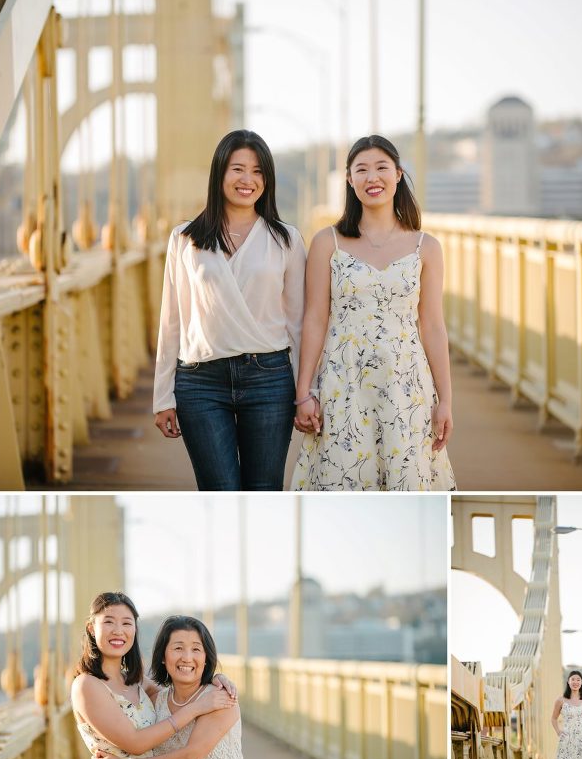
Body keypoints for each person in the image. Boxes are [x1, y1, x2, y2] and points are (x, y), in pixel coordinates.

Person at [291, 135, 456, 492]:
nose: (372, 178)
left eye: (381, 168)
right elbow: (315, 318)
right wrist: (303, 391)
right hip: (343, 382)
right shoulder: (327, 242)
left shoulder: (426, 247)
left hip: (406, 384)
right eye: (361, 170)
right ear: (349, 180)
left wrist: (445, 400)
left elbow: (433, 326)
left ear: (398, 175)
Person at [153, 130, 306, 491]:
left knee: (265, 490)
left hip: (269, 379)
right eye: (238, 169)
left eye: (258, 172)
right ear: (219, 173)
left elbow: (298, 323)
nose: (247, 180)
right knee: (218, 491)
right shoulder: (185, 239)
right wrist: (163, 396)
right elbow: (171, 320)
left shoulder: (286, 239)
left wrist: (305, 392)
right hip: (200, 382)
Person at [71, 593, 235, 759]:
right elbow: (135, 743)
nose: (119, 631)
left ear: (135, 630)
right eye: (109, 622)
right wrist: (196, 708)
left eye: (127, 623)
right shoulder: (87, 685)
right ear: (92, 628)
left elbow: (180, 694)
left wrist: (213, 679)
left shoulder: (135, 682)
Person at [90, 616, 264, 759]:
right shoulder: (156, 700)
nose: (187, 657)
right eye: (178, 648)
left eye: (196, 649)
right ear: (163, 656)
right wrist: (98, 750)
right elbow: (115, 694)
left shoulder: (219, 699)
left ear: (206, 657)